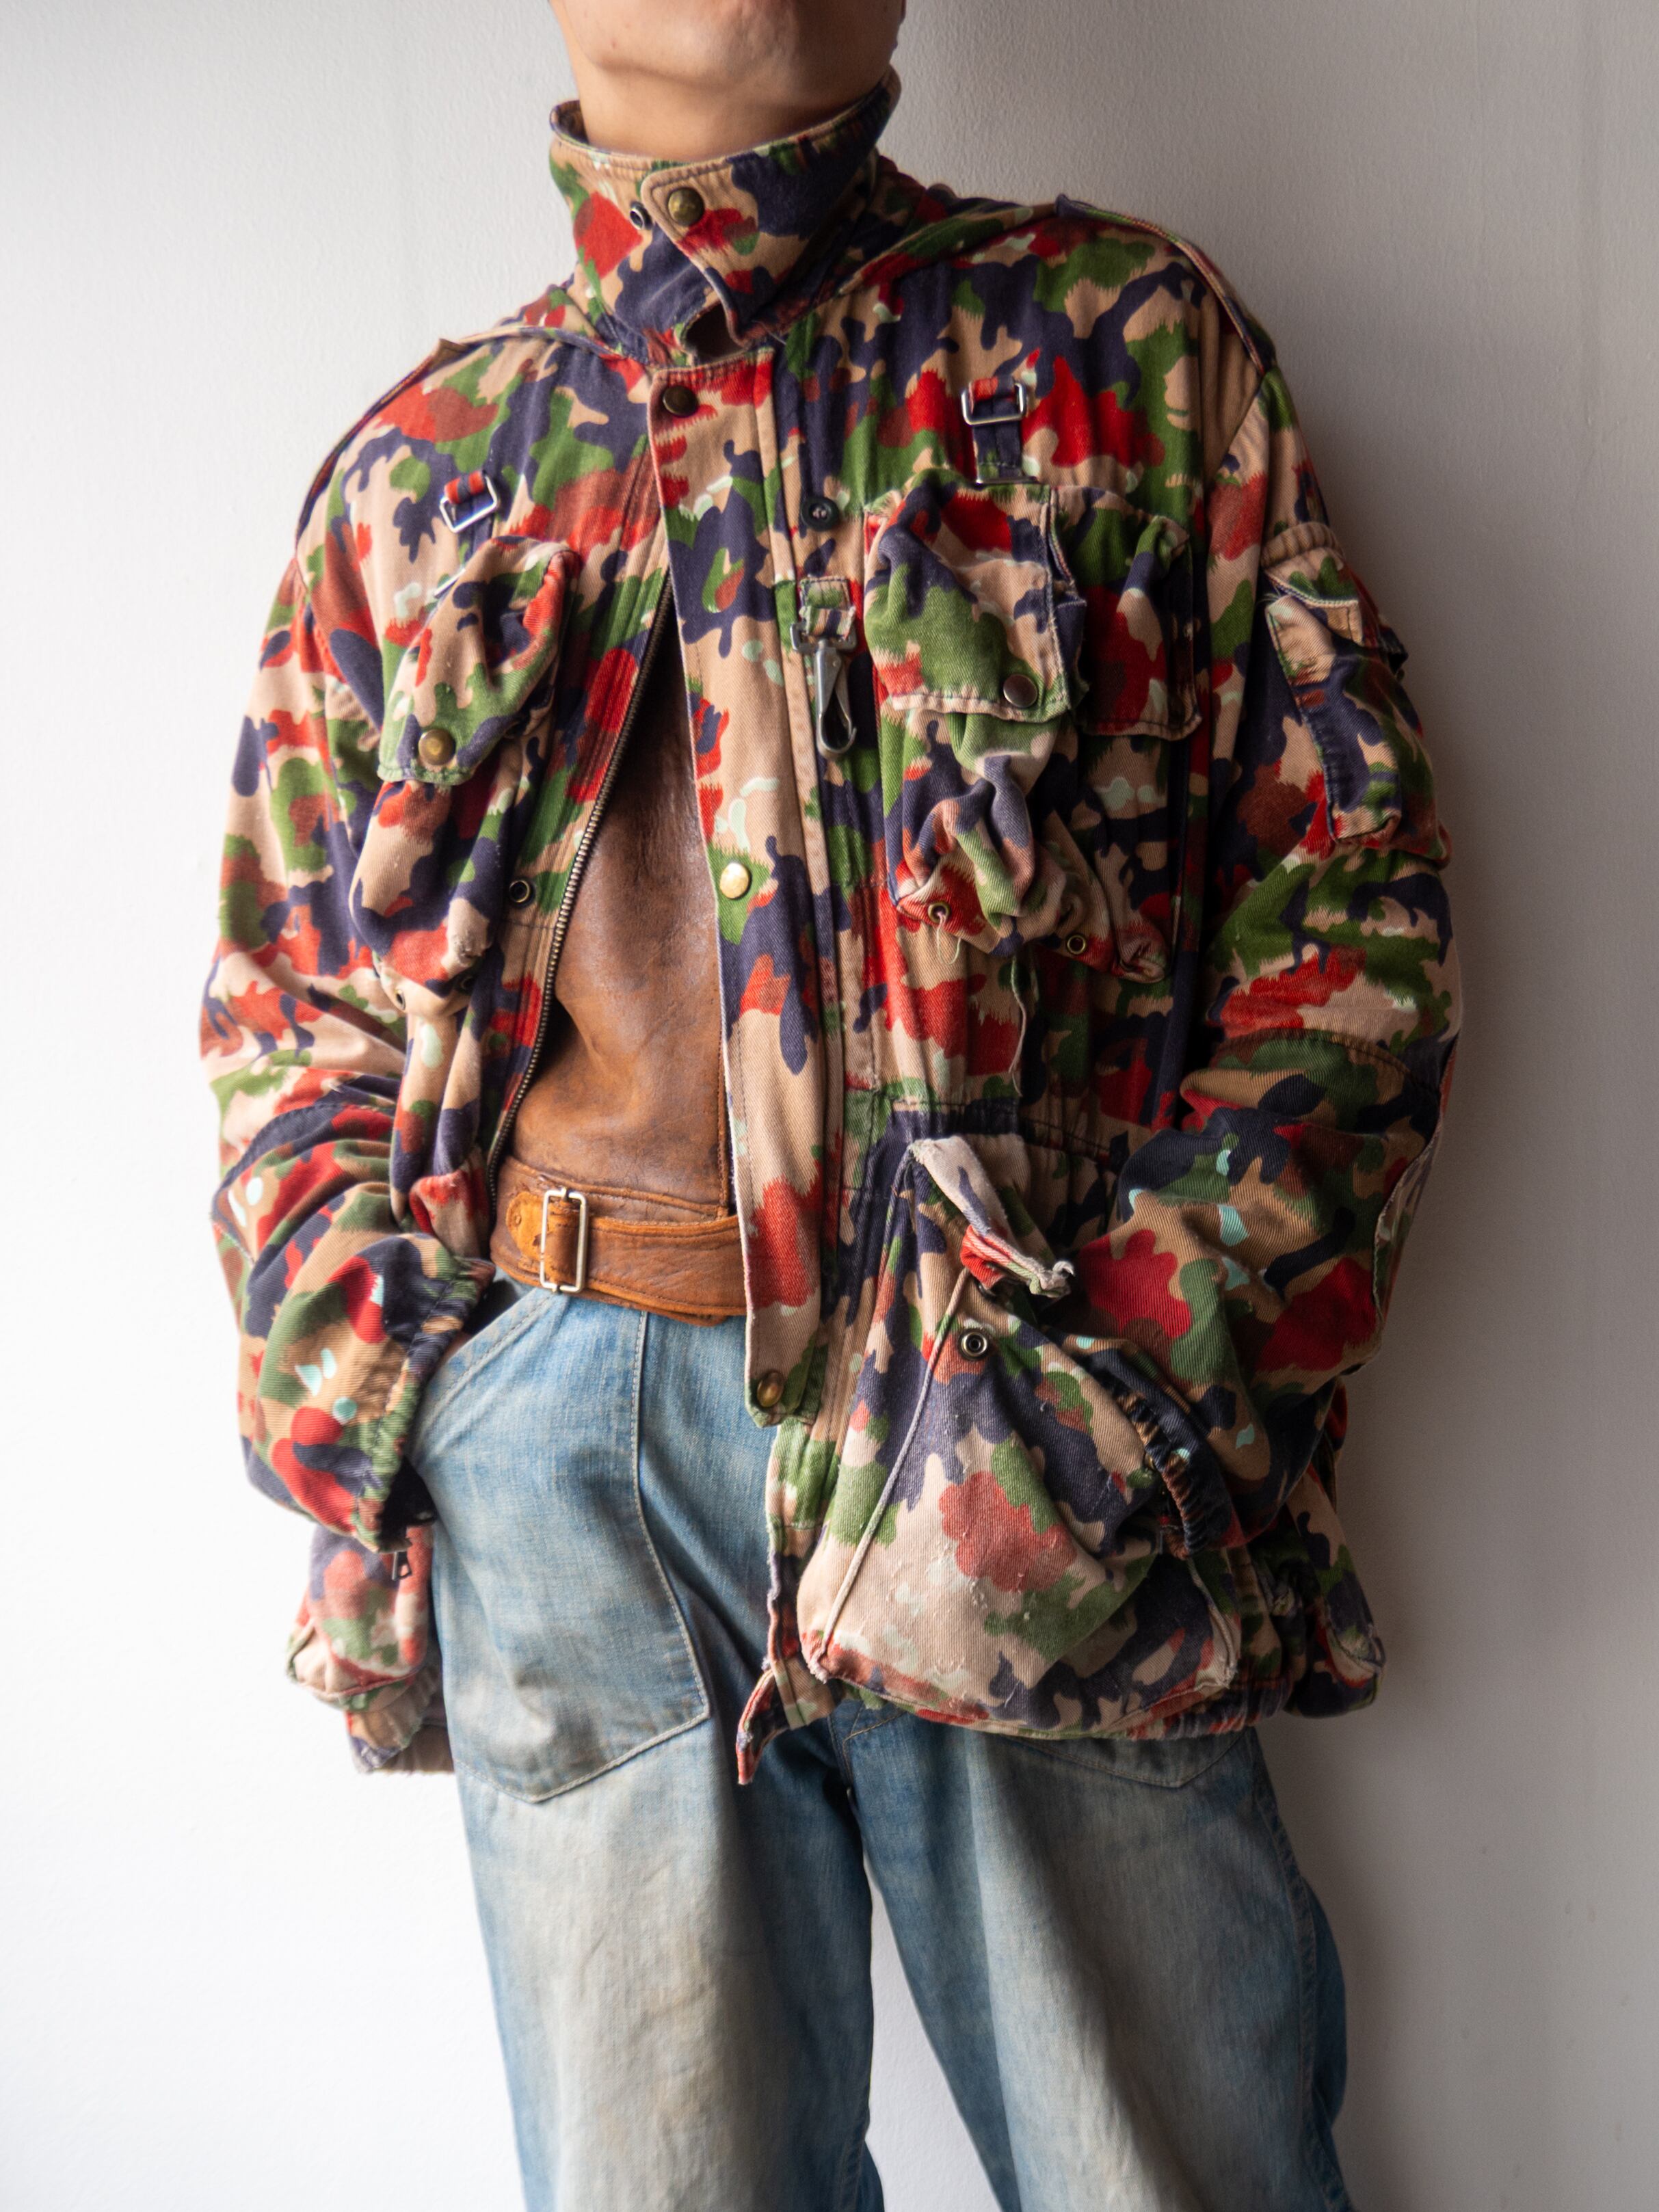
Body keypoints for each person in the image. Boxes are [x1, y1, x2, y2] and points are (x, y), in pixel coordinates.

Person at [201, 1, 1459, 2204]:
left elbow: (1346, 919)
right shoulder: (427, 473)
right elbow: (288, 1016)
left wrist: (1135, 1383)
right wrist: (433, 1418)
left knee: (1167, 2173)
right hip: (565, 1465)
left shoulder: (1115, 350)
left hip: (1033, 1420)